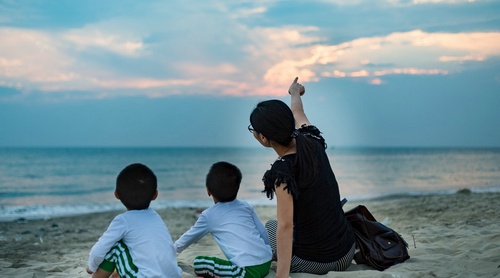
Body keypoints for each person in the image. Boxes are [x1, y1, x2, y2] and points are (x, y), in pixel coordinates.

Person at [248, 77, 356, 278]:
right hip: (347, 252)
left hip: (320, 263)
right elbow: (298, 111)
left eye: (253, 130)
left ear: (263, 137)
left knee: (271, 227)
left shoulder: (282, 172)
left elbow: (286, 227)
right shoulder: (312, 139)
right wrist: (294, 92)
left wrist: (281, 276)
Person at [174, 161, 272, 278]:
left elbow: (188, 238)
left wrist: (170, 250)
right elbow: (262, 232)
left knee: (199, 262)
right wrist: (269, 252)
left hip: (246, 272)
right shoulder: (246, 207)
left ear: (208, 191)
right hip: (266, 262)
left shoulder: (209, 215)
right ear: (238, 187)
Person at [87, 163, 182, 278]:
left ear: (116, 194)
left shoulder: (123, 220)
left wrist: (92, 266)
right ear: (155, 195)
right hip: (173, 275)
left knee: (115, 247)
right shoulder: (156, 217)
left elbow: (99, 250)